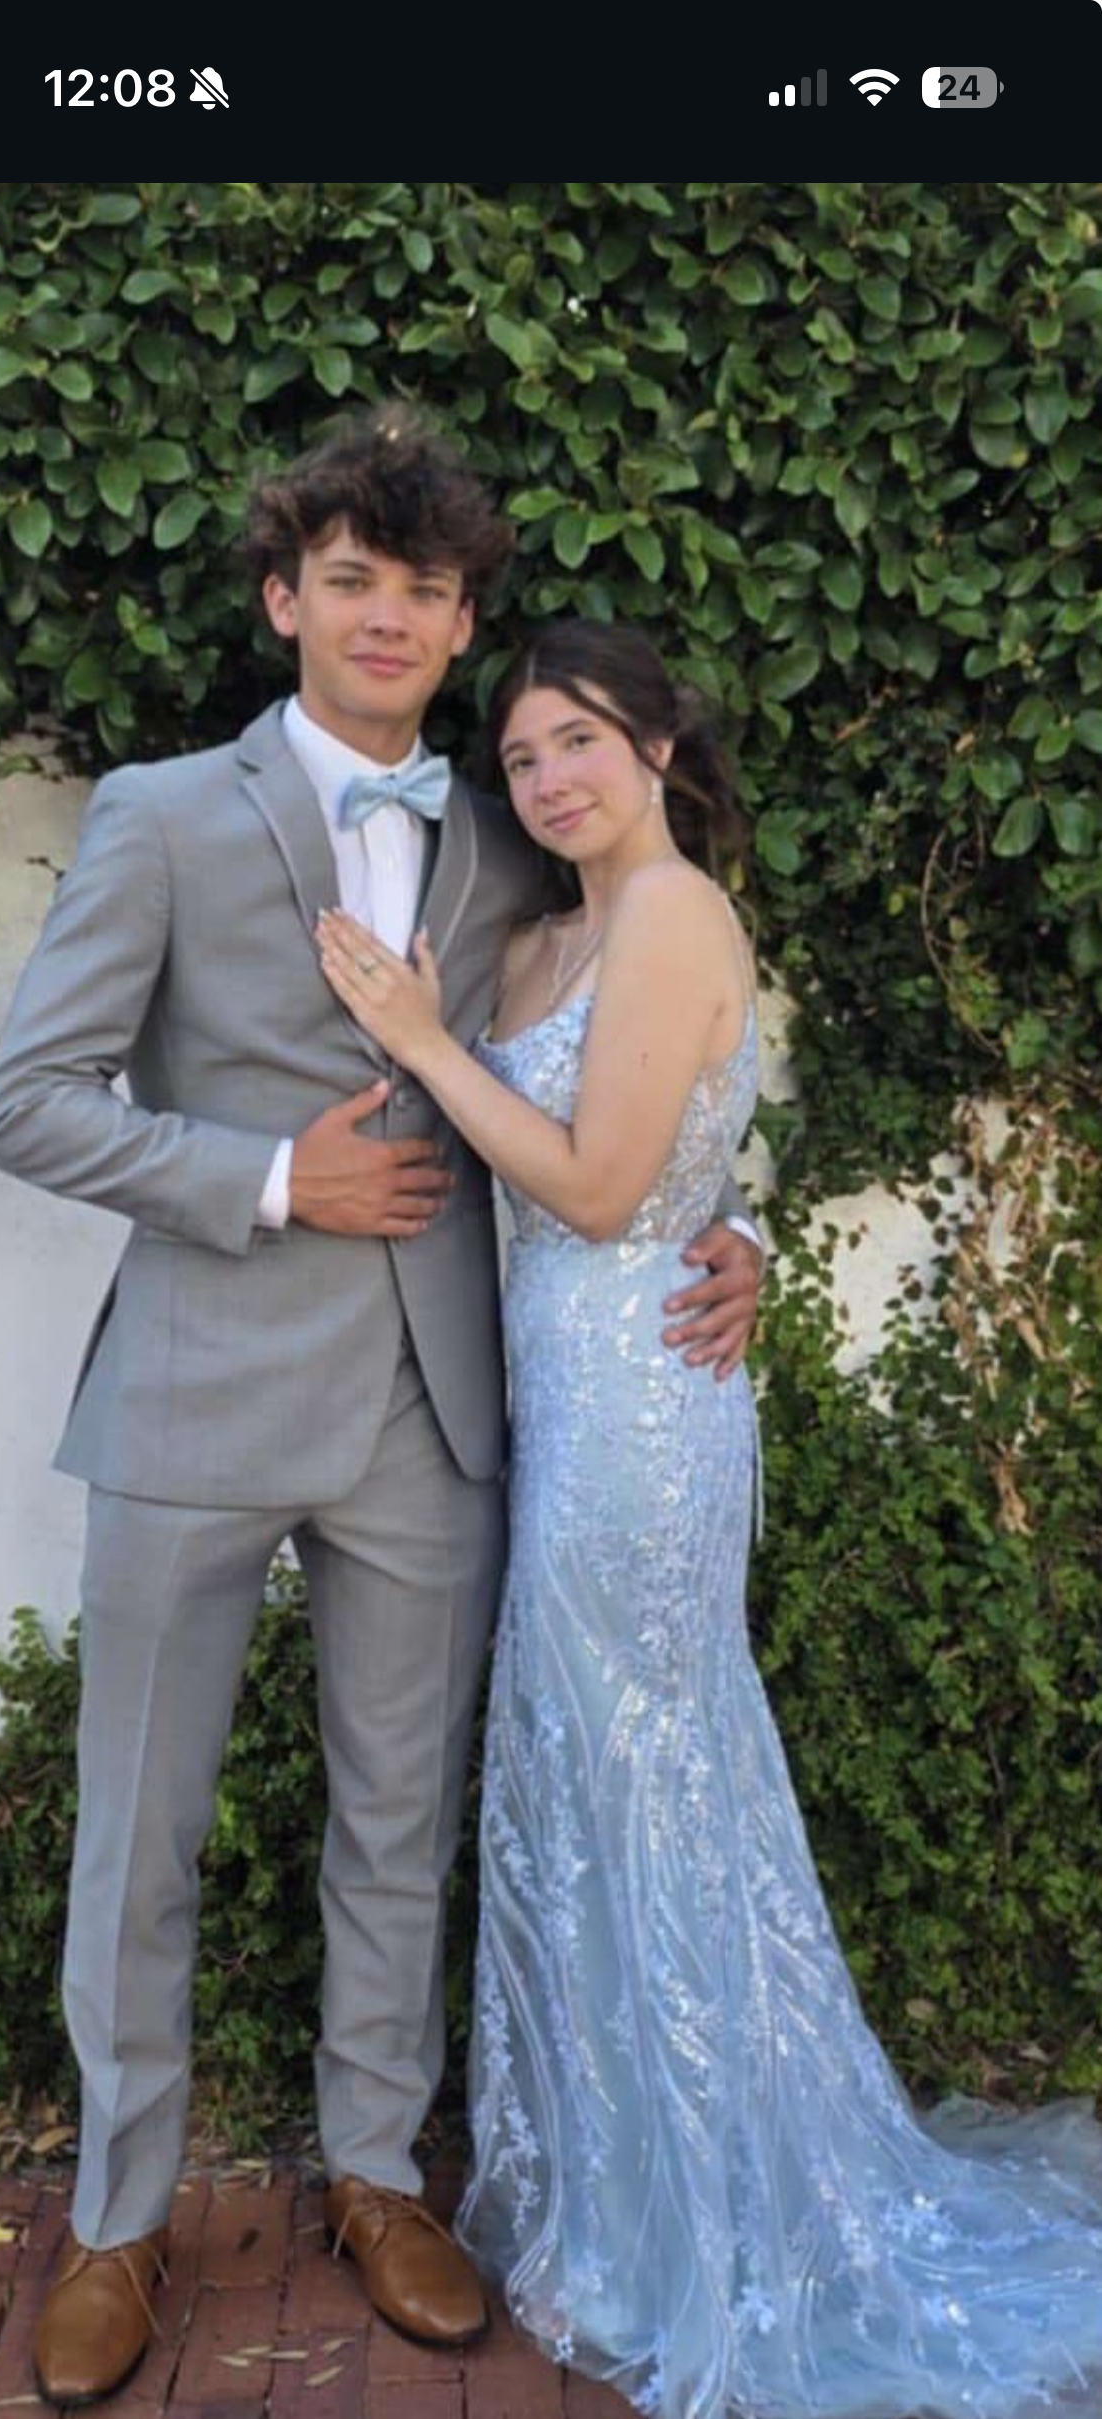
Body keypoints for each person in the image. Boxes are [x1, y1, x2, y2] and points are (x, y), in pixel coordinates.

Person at [0, 408, 762, 2409]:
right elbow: (31, 1103)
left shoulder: (517, 829)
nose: (390, 616)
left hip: (439, 1408)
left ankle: (375, 2171)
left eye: (425, 588)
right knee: (138, 1833)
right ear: (285, 600)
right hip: (196, 1392)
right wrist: (267, 1179)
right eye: (352, 581)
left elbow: (638, 1045)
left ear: (461, 619)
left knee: (396, 1824)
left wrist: (726, 1222)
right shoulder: (164, 813)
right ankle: (116, 2218)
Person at [318, 617, 1102, 2419]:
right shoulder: (540, 937)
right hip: (559, 1407)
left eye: (580, 741)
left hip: (643, 1424)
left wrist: (426, 1043)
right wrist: (729, 1209)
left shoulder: (674, 913)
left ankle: (715, 2202)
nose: (548, 780)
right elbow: (687, 1146)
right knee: (592, 1778)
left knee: (650, 1778)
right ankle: (627, 2179)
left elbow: (601, 1192)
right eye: (521, 758)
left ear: (661, 746)